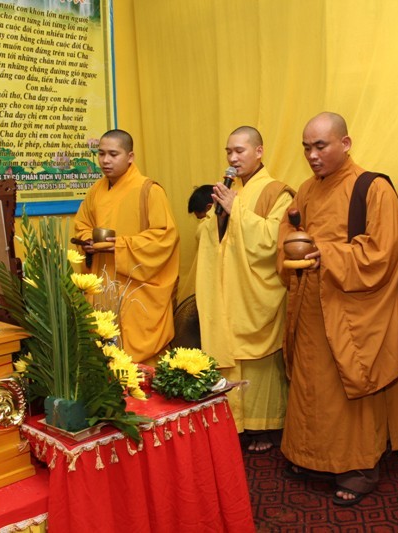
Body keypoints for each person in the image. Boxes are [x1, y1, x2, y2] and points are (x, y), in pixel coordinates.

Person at [276, 112, 398, 506]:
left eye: (320, 146)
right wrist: (294, 244)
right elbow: (289, 233)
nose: (312, 155)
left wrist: (328, 254)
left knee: (348, 384)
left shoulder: (373, 188)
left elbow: (383, 251)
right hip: (311, 303)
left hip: (353, 309)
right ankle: (308, 455)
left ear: (345, 143)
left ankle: (357, 467)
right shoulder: (306, 190)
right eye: (306, 147)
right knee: (309, 382)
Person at [195, 126, 293, 451]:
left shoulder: (277, 193)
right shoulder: (228, 190)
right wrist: (219, 217)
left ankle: (262, 427)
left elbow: (272, 240)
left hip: (254, 293)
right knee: (227, 353)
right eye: (229, 151)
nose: (233, 158)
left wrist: (235, 210)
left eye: (240, 150)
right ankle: (232, 425)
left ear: (259, 151)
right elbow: (206, 235)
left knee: (259, 365)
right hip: (227, 289)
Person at [74, 129, 180, 363]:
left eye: (113, 154)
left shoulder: (149, 190)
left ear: (130, 157)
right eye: (101, 153)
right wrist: (88, 240)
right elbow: (82, 225)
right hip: (104, 282)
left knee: (138, 360)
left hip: (136, 286)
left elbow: (164, 237)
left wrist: (120, 246)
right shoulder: (96, 190)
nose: (105, 160)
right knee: (105, 349)